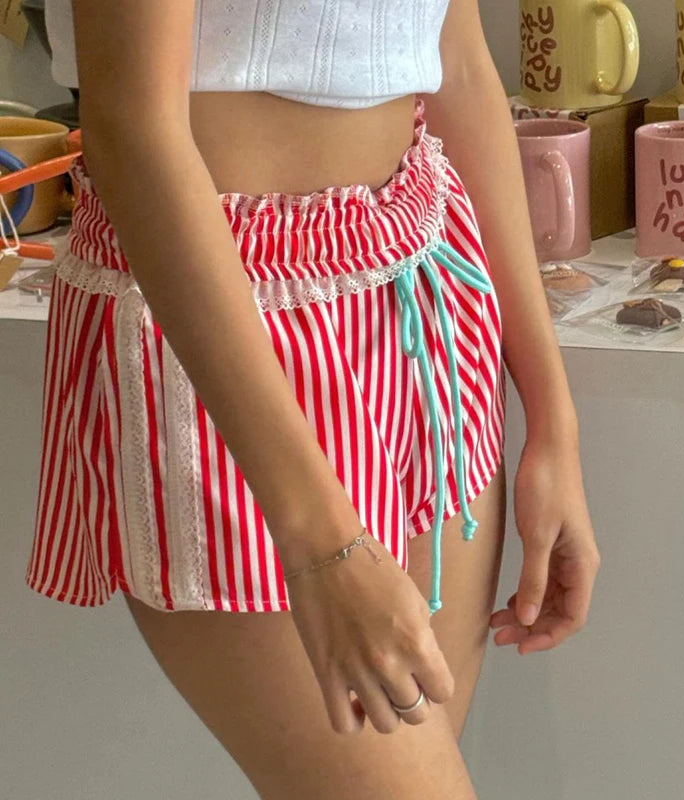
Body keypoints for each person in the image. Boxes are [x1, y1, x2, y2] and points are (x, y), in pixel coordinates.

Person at [26, 0, 600, 797]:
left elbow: (460, 62)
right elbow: (133, 129)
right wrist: (324, 545)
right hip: (227, 324)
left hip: (421, 291)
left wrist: (553, 417)